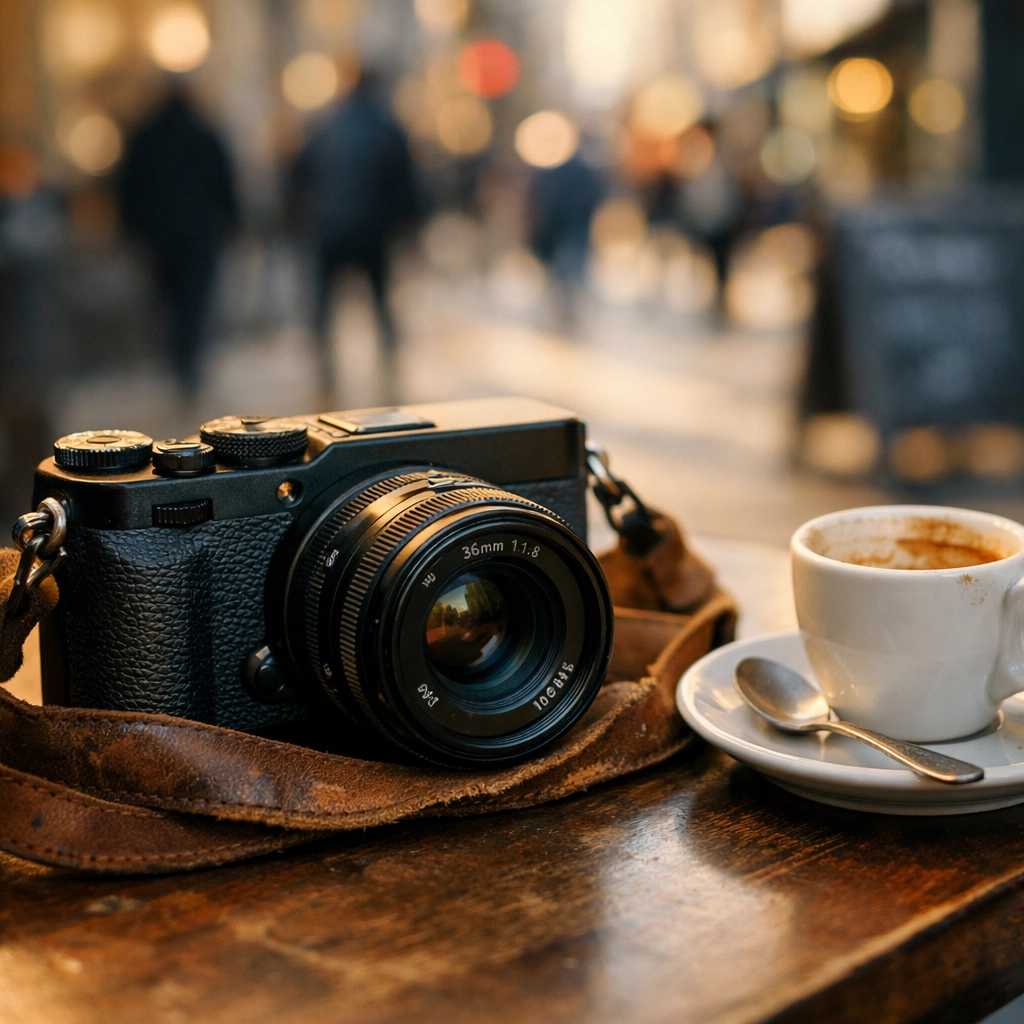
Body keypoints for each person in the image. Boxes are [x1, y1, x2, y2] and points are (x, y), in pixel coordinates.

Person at [288, 73, 418, 402]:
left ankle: (326, 372)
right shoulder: (387, 129)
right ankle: (388, 366)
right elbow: (405, 185)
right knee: (379, 301)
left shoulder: (324, 127)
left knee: (324, 306)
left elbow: (298, 176)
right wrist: (405, 227)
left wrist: (298, 220)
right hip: (372, 231)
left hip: (328, 229)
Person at [118, 88, 238, 396]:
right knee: (194, 301)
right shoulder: (204, 135)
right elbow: (224, 182)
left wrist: (132, 227)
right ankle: (187, 358)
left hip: (161, 236)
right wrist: (231, 222)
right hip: (198, 234)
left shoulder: (146, 138)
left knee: (170, 301)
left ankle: (179, 358)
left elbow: (128, 187)